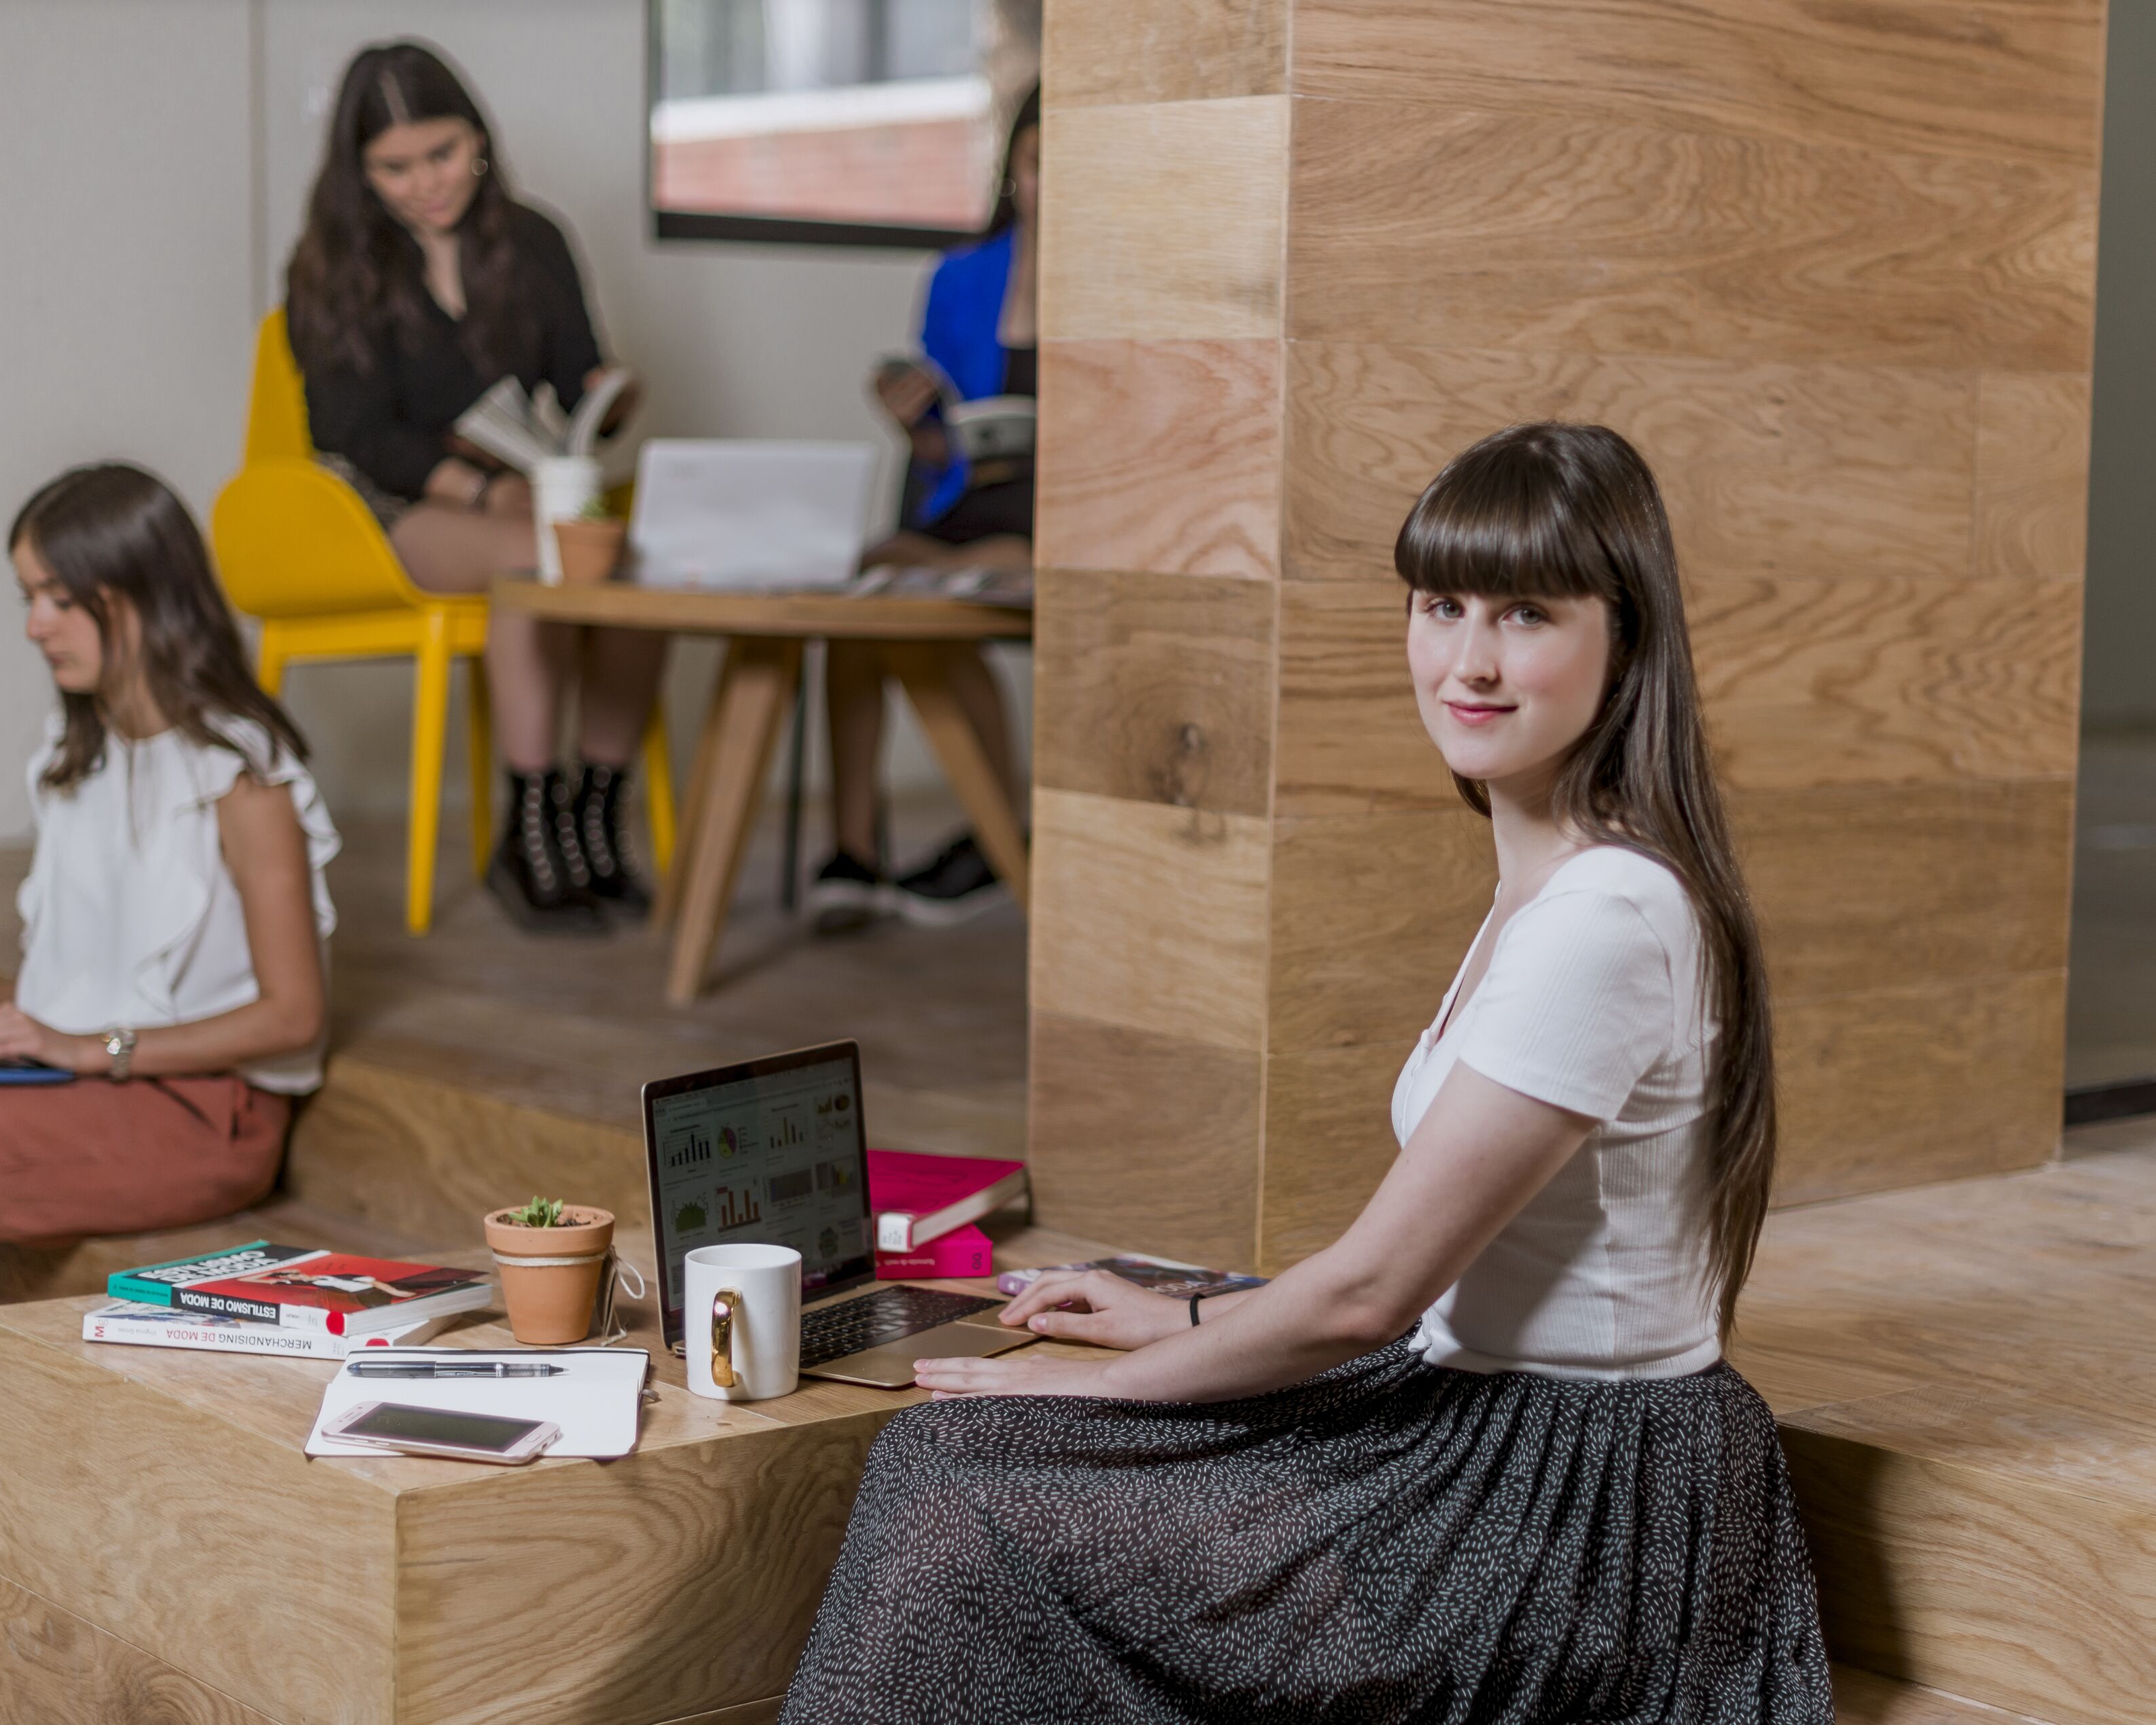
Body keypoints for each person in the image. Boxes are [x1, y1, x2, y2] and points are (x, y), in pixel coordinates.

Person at [779, 425, 1834, 1724]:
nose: (1470, 659)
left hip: (1570, 1503)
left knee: (956, 1480)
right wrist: (1183, 1321)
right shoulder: (1564, 875)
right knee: (966, 1453)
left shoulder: (1604, 915)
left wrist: (1104, 1380)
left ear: (1626, 636)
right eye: (1441, 605)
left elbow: (1372, 1294)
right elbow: (1404, 1291)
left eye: (1527, 614)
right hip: (1503, 1423)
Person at [0, 465, 337, 1367]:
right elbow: (107, 969)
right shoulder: (78, 754)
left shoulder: (243, 779)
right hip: (84, 1075)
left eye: (60, 598)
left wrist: (97, 1048)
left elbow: (293, 1016)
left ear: (144, 599)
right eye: (29, 595)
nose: (35, 624)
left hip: (201, 1109)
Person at [286, 40, 662, 933]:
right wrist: (479, 490)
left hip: (524, 490)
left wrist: (607, 401)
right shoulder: (329, 265)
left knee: (635, 570)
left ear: (478, 141)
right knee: (537, 564)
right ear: (359, 170)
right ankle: (529, 832)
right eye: (395, 167)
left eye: (442, 155)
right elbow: (351, 432)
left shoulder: (534, 241)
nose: (425, 184)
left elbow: (576, 381)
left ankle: (593, 816)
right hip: (398, 506)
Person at [810, 87, 1040, 932]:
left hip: (1066, 520)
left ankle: (994, 828)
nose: (1052, 184)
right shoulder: (960, 276)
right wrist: (914, 419)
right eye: (1036, 164)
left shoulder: (1128, 270)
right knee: (870, 583)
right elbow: (943, 447)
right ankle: (853, 847)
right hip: (970, 500)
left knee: (965, 578)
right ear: (1013, 169)